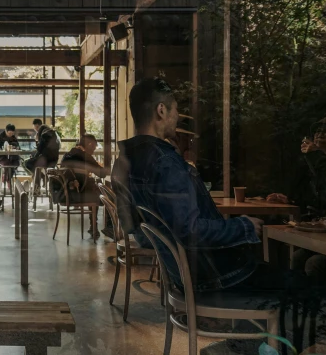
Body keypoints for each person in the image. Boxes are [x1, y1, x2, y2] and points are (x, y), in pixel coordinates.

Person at [113, 77, 273, 293]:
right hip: (216, 276)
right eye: (176, 110)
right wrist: (243, 226)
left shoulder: (124, 160)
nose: (177, 117)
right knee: (309, 289)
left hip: (180, 275)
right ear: (161, 110)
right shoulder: (166, 163)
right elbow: (189, 230)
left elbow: (132, 226)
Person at [290, 115, 326, 289]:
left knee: (314, 263)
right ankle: (298, 306)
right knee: (297, 257)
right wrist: (289, 199)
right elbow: (316, 194)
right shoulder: (322, 160)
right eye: (317, 131)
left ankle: (322, 312)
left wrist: (316, 154)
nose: (319, 135)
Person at [60, 134, 112, 238]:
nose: (94, 150)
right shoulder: (85, 156)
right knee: (109, 195)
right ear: (89, 144)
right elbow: (102, 174)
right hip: (80, 194)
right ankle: (109, 228)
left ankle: (93, 228)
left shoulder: (67, 155)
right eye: (94, 147)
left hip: (66, 195)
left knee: (93, 189)